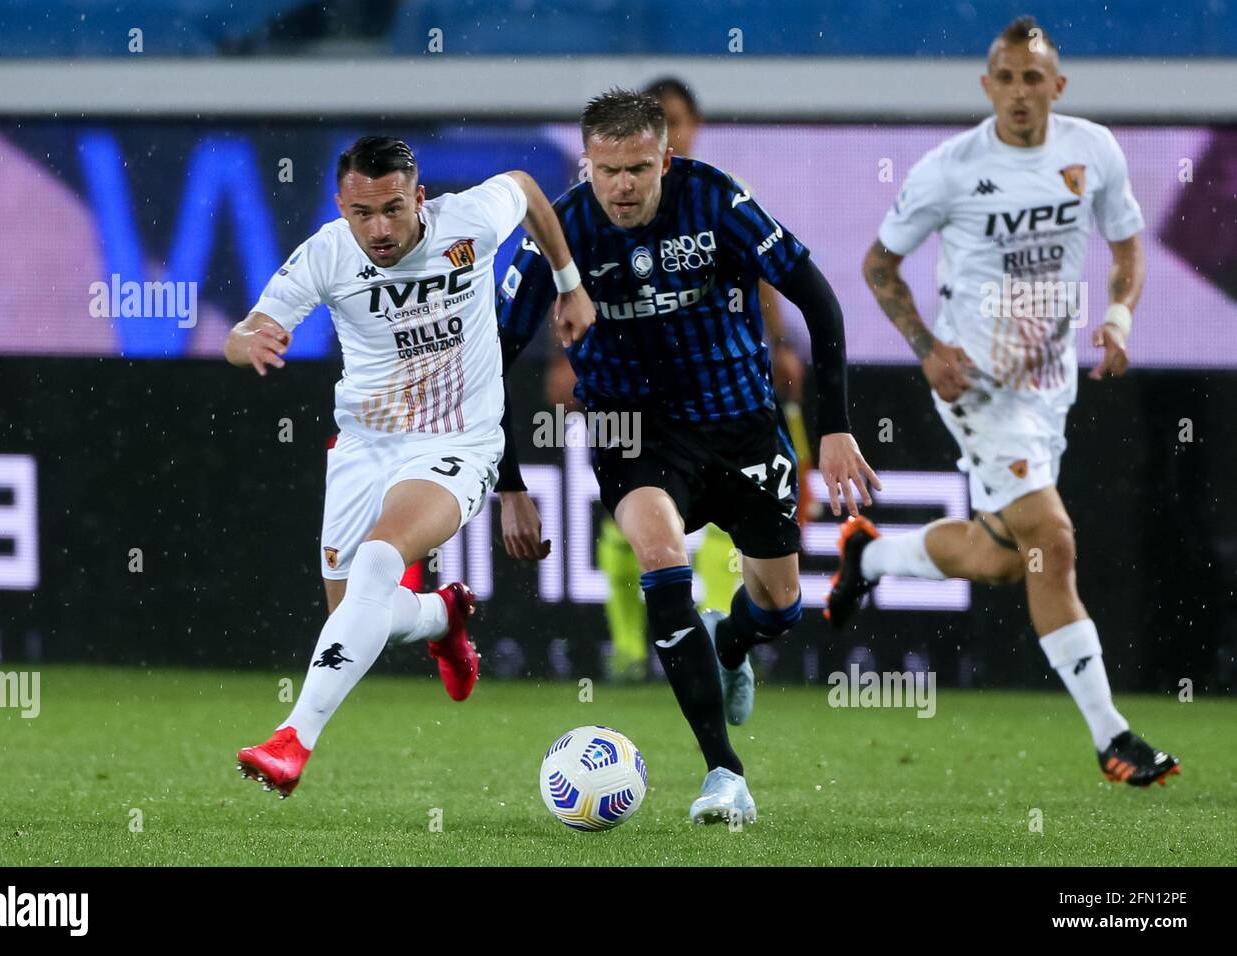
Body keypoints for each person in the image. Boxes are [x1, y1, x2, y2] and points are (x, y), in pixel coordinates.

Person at [498, 89, 879, 824]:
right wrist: (510, 484)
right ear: (588, 164)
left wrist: (835, 429)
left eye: (638, 167)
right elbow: (492, 355)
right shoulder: (561, 228)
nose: (623, 186)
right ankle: (723, 773)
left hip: (740, 422)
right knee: (658, 553)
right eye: (606, 169)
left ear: (665, 159)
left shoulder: (716, 200)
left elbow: (818, 300)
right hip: (630, 430)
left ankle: (729, 641)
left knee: (779, 606)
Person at [829, 17, 1179, 787]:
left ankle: (871, 553)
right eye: (1006, 78)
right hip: (979, 386)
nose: (1020, 93)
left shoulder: (1093, 151)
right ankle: (1112, 736)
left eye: (1034, 78)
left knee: (998, 558)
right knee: (1052, 539)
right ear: (987, 87)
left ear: (1058, 86)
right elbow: (880, 265)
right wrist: (928, 350)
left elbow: (1126, 247)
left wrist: (1118, 316)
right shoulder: (950, 170)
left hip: (1051, 382)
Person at [227, 136, 593, 797]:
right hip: (364, 446)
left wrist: (570, 284)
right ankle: (439, 617)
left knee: (376, 562)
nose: (378, 229)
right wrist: (246, 338)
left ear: (418, 198)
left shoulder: (468, 222)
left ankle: (292, 739)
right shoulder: (327, 253)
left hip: (457, 441)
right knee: (353, 616)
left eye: (392, 209)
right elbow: (242, 331)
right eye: (362, 213)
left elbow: (529, 188)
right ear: (341, 206)